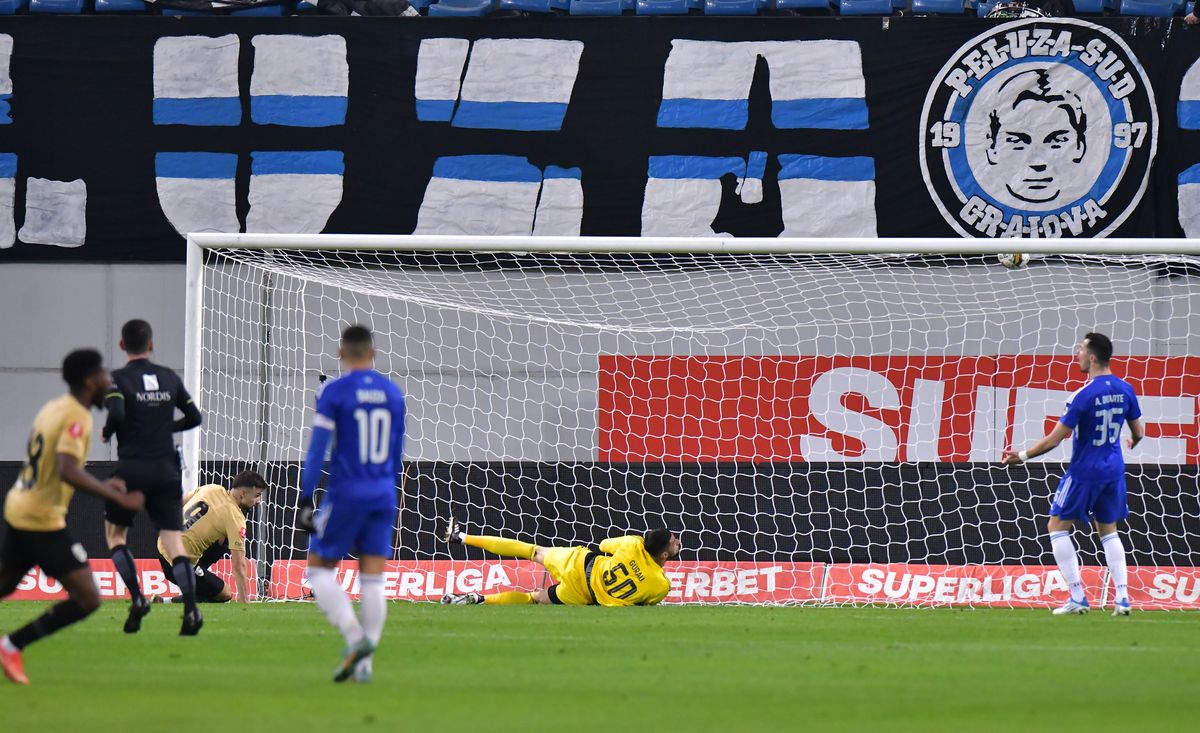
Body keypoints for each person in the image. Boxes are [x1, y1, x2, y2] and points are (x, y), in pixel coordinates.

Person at [0, 350, 144, 685]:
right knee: (89, 598)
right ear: (90, 380)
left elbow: (53, 464)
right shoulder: (76, 416)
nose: (109, 381)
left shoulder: (54, 407)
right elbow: (67, 470)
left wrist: (104, 484)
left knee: (4, 585)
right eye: (104, 375)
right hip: (40, 520)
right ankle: (10, 646)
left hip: (21, 508)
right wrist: (114, 495)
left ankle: (10, 646)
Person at [1003, 333, 1144, 616]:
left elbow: (1055, 439)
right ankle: (1123, 599)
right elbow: (1138, 431)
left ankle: (1078, 596)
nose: (1077, 354)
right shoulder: (1126, 389)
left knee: (1057, 526)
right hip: (1114, 470)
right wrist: (1133, 441)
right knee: (1109, 530)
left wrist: (1023, 456)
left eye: (1080, 349)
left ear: (1092, 357)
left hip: (1084, 471)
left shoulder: (1083, 395)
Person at [297, 325, 406, 683]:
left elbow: (317, 450)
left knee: (318, 569)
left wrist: (306, 497)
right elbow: (396, 454)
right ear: (373, 354)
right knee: (373, 578)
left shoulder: (335, 392)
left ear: (341, 354)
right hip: (383, 492)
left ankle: (355, 637)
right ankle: (365, 665)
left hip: (346, 492)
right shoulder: (393, 394)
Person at [102, 319, 204, 635]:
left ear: (122, 346)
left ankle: (138, 598)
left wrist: (108, 430)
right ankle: (191, 610)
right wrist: (166, 428)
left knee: (116, 535)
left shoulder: (117, 379)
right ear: (151, 345)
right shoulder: (169, 377)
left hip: (131, 469)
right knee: (173, 541)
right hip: (165, 469)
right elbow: (194, 417)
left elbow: (117, 413)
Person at [440, 518, 681, 607]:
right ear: (663, 556)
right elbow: (642, 603)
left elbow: (604, 544)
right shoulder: (660, 585)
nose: (677, 541)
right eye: (673, 541)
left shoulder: (632, 543)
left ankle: (461, 537)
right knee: (534, 598)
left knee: (533, 552)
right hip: (582, 595)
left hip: (578, 564)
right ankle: (479, 599)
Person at [150, 471, 267, 605]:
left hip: (162, 543)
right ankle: (168, 601)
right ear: (243, 494)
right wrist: (244, 601)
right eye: (257, 496)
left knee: (221, 539)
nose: (259, 501)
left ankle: (169, 597)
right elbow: (238, 565)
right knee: (225, 593)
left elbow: (179, 502)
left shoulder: (212, 488)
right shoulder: (235, 518)